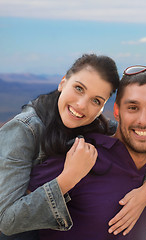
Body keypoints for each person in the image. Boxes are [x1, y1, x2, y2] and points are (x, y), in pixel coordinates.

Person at [27, 65, 146, 239]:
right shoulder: (80, 154)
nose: (143, 120)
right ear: (117, 111)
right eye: (133, 107)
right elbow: (12, 215)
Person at [0, 54, 120, 239]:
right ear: (63, 83)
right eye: (79, 88)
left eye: (96, 101)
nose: (81, 105)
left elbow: (143, 138)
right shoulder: (24, 130)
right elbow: (6, 221)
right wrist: (69, 178)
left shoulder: (93, 124)